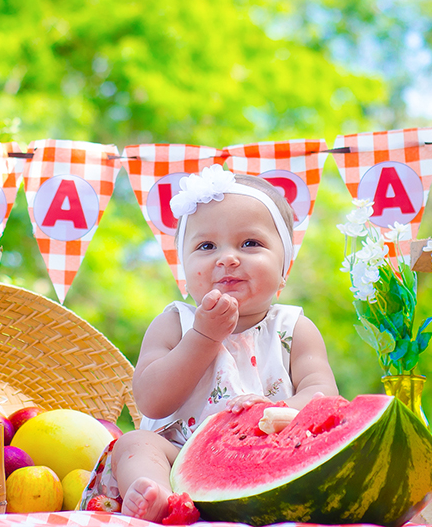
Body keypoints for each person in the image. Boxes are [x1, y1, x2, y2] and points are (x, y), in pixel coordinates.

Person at [82, 165, 338, 522]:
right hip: (181, 455)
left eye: (250, 243)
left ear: (285, 267)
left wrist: (277, 413)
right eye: (206, 245)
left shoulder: (295, 328)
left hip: (269, 452)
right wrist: (203, 338)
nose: (227, 257)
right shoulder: (175, 323)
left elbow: (323, 395)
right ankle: (158, 495)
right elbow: (151, 402)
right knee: (134, 445)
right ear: (184, 269)